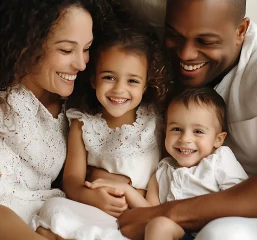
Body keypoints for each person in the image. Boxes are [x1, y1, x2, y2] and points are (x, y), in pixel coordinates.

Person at [117, 0, 257, 240]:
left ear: (240, 31)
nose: (186, 54)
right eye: (175, 36)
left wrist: (167, 213)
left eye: (205, 41)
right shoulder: (153, 56)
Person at [0, 0, 130, 239]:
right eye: (66, 50)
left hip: (52, 219)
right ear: (26, 43)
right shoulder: (6, 99)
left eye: (86, 49)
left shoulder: (79, 105)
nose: (81, 64)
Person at [33, 27, 169, 239]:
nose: (119, 90)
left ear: (145, 85)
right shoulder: (83, 123)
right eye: (109, 77)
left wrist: (133, 196)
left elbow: (163, 174)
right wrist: (93, 198)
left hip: (137, 214)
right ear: (93, 79)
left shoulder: (156, 121)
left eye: (132, 81)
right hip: (94, 209)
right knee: (54, 207)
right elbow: (71, 181)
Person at [89, 86, 248, 240]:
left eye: (198, 131)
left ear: (218, 139)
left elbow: (238, 199)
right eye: (176, 129)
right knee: (150, 226)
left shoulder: (219, 159)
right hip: (176, 234)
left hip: (213, 232)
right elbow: (150, 212)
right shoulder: (162, 171)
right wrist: (126, 189)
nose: (185, 139)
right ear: (165, 130)